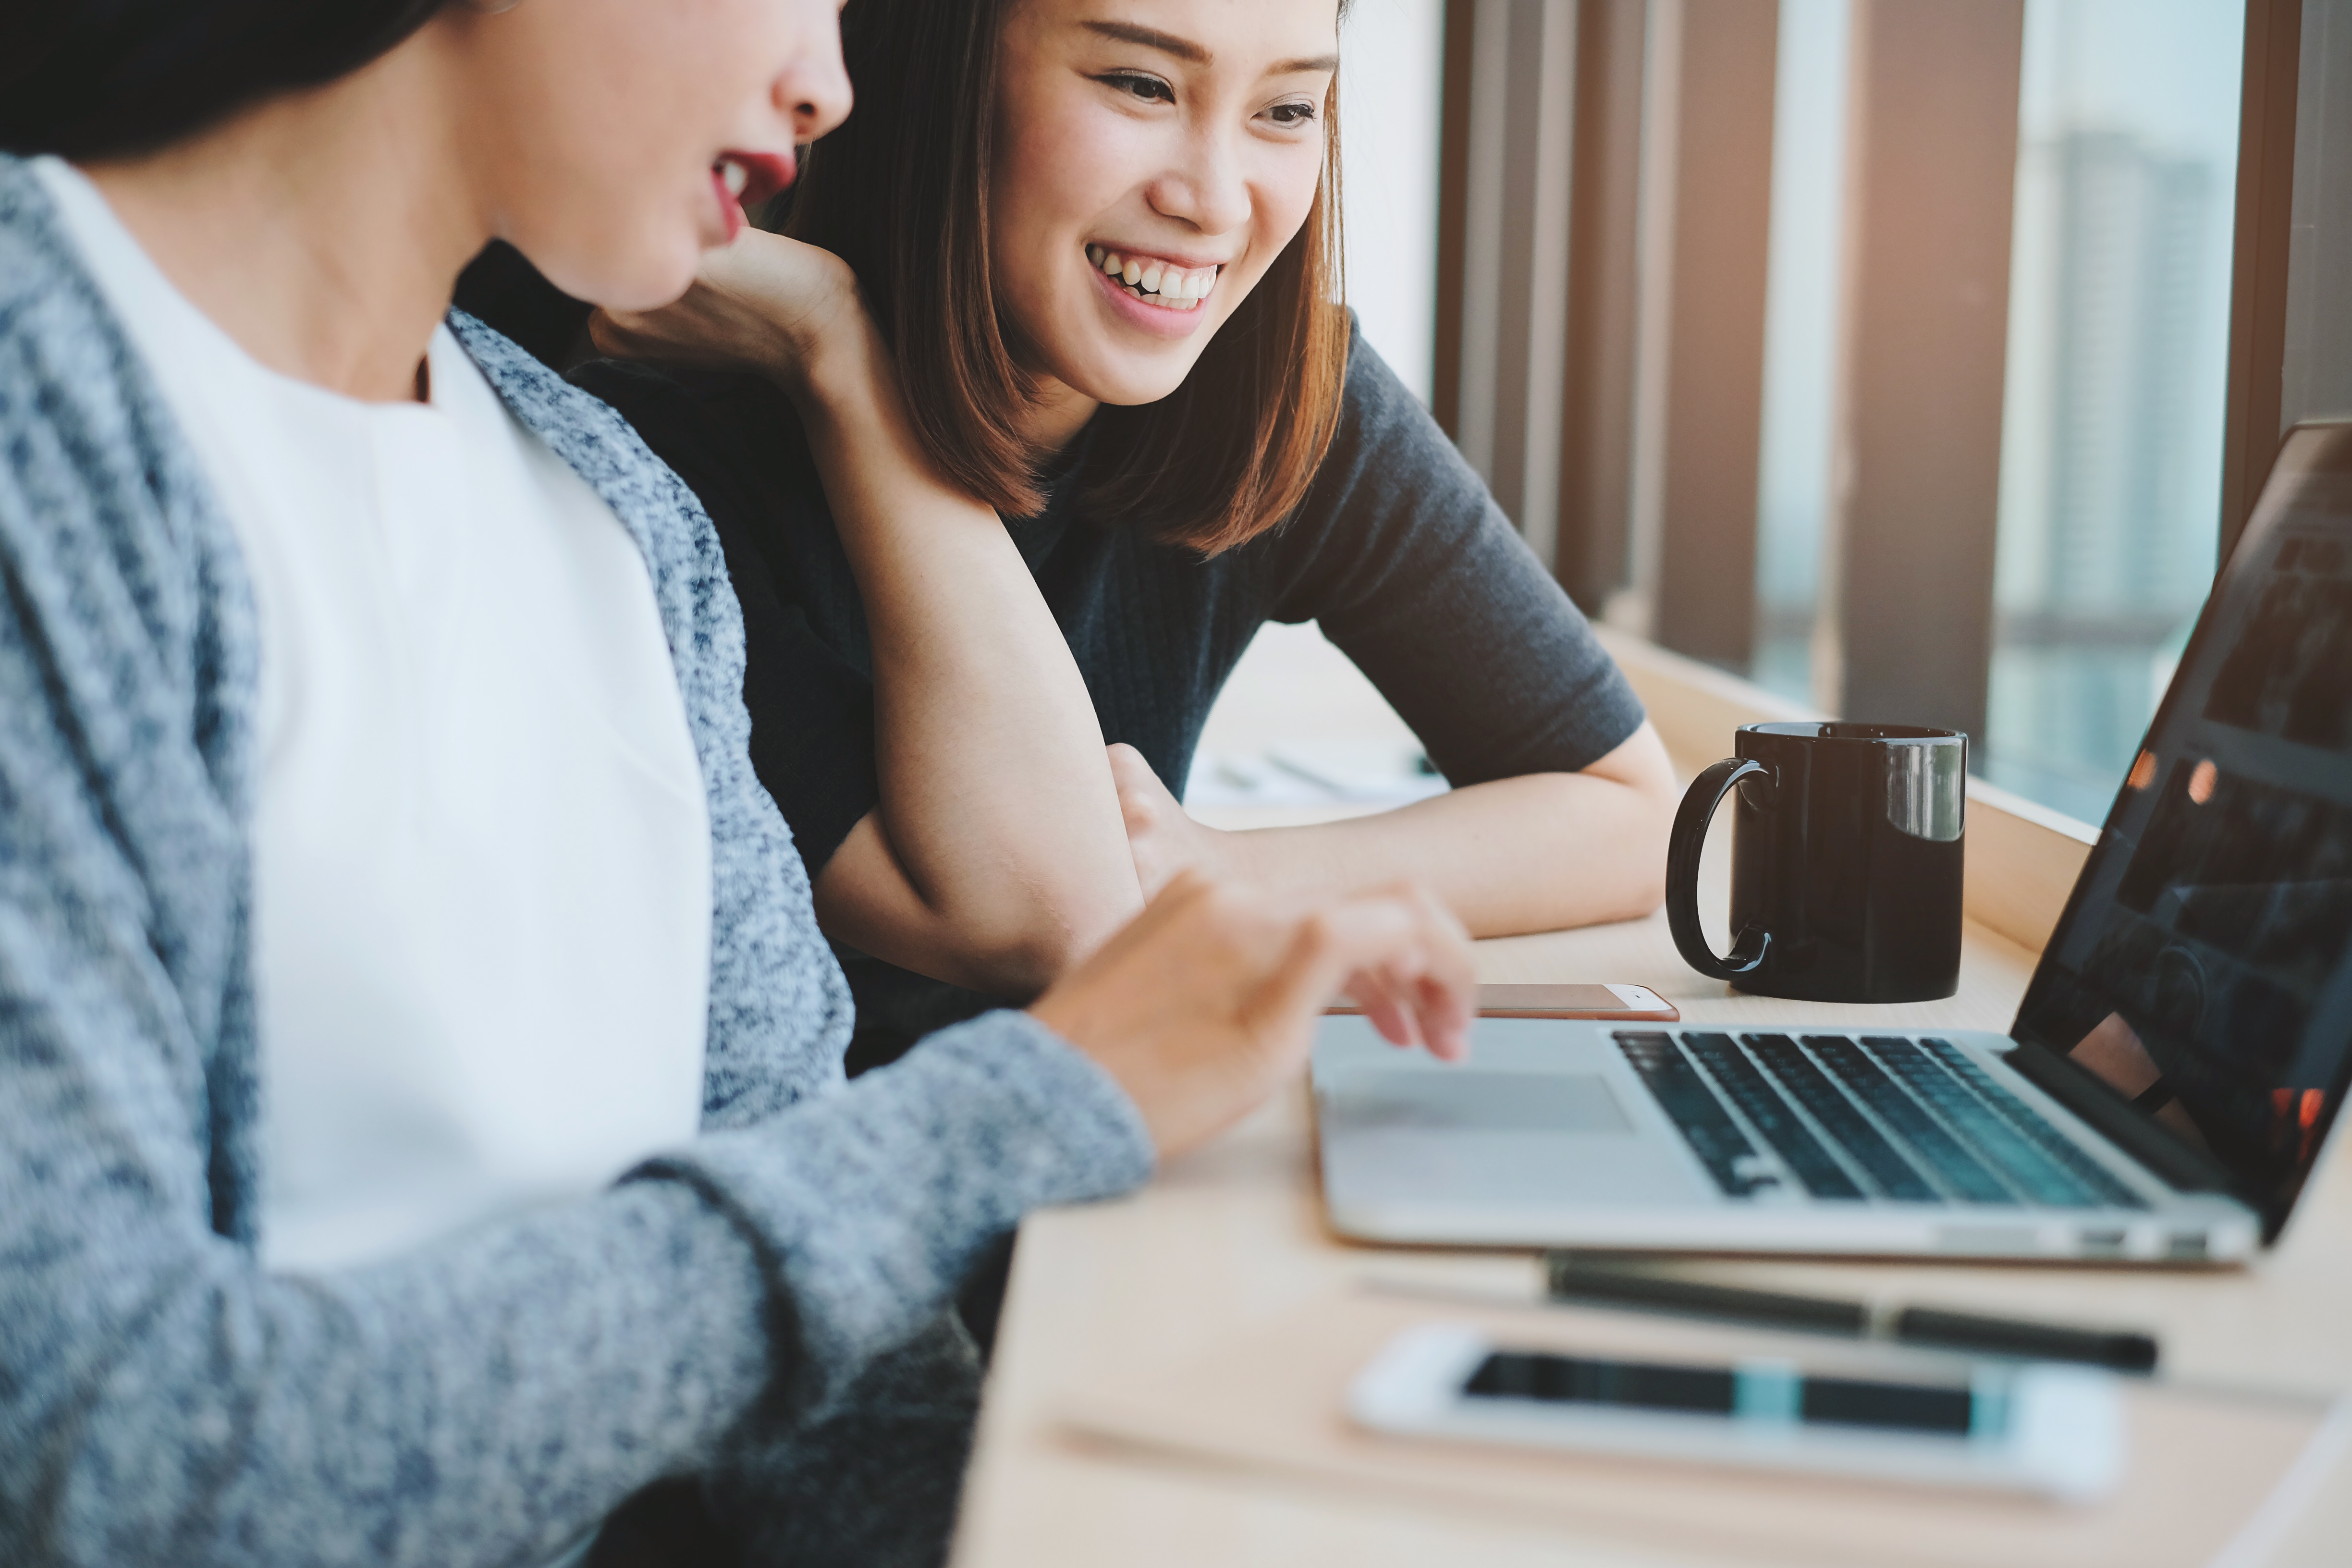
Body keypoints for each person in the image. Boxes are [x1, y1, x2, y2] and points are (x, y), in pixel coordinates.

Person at [0, 3, 1477, 1565]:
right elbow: (106, 1453)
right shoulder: (52, 429)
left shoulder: (615, 513)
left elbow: (845, 1389)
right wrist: (1045, 1100)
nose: (830, 85)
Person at [576, 0, 1681, 1066]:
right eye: (1141, 84)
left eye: (1287, 110)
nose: (1214, 201)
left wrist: (1225, 873)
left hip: (1104, 1146)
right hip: (840, 1197)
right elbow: (1045, 922)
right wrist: (846, 361)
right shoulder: (640, 455)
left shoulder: (1278, 395)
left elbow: (1631, 816)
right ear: (925, 75)